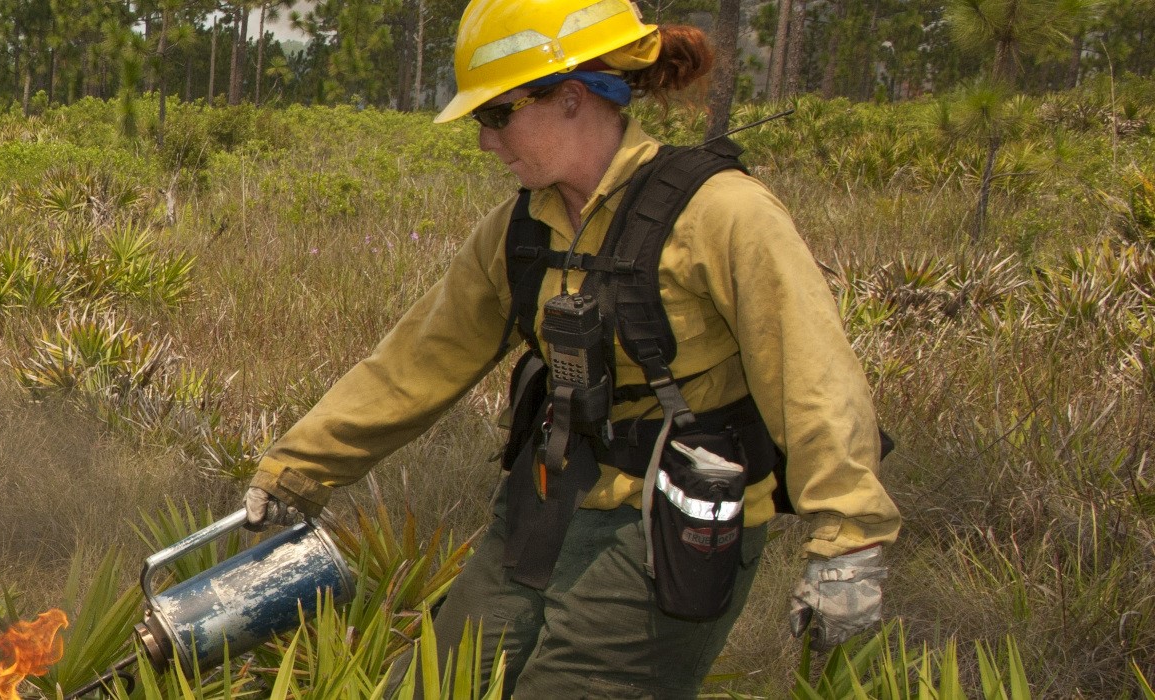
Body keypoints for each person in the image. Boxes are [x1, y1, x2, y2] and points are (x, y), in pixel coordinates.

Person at [234, 1, 900, 697]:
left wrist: (849, 540)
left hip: (670, 522)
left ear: (572, 98)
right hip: (547, 501)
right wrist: (297, 470)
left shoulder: (721, 213)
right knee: (433, 685)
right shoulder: (519, 232)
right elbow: (415, 363)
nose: (486, 142)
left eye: (496, 116)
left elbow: (812, 374)